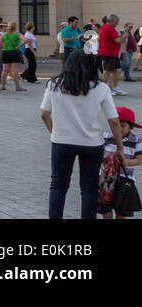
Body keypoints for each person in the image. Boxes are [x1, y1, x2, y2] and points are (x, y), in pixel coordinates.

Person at [39, 49, 125, 219]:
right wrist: (120, 147)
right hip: (92, 143)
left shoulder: (54, 84)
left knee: (58, 185)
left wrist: (53, 131)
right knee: (89, 187)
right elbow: (114, 121)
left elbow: (43, 113)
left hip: (62, 141)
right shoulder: (101, 88)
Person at [99, 106, 141, 219]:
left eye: (122, 126)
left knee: (122, 210)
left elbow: (139, 159)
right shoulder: (106, 137)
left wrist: (127, 162)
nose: (118, 129)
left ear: (130, 126)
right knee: (104, 206)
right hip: (106, 178)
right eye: (116, 125)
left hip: (125, 179)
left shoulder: (136, 141)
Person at [99, 14, 126, 96]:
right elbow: (117, 40)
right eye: (117, 22)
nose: (117, 24)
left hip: (113, 53)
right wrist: (124, 36)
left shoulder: (108, 28)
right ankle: (103, 89)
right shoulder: (109, 28)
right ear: (112, 21)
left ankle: (114, 87)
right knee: (107, 70)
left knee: (117, 70)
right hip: (108, 53)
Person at [0, 22, 26, 92]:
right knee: (15, 71)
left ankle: (3, 86)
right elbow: (25, 40)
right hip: (14, 52)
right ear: (15, 27)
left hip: (5, 52)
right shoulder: (17, 34)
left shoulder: (4, 35)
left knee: (5, 70)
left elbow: (0, 43)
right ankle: (17, 87)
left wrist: (0, 51)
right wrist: (19, 46)